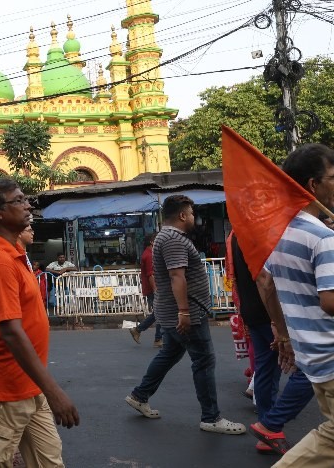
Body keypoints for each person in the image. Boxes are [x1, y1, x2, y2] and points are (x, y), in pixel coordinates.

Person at [0, 177, 80, 467]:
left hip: (29, 383)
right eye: (18, 200)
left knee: (49, 462)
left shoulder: (14, 253)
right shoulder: (0, 261)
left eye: (24, 198)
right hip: (3, 389)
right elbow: (12, 332)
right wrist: (54, 391)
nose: (27, 205)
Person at [125, 195, 245, 434]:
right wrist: (184, 312)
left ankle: (140, 395)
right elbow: (177, 276)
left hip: (174, 311)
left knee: (169, 354)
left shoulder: (167, 237)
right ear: (181, 215)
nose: (193, 217)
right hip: (184, 312)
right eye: (191, 213)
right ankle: (211, 417)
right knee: (204, 360)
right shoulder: (173, 239)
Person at [255, 144, 334, 465]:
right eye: (333, 177)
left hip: (311, 356)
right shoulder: (324, 238)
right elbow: (329, 302)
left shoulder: (280, 233)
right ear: (314, 185)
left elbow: (265, 283)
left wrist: (284, 334)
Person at [229, 233, 314, 456]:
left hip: (255, 311)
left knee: (266, 370)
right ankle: (270, 425)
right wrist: (279, 325)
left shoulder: (238, 231)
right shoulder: (260, 231)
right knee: (307, 368)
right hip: (271, 313)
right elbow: (266, 282)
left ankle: (268, 428)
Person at [129, 234, 162, 347]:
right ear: (152, 242)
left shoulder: (148, 254)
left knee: (158, 313)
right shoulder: (149, 255)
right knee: (160, 313)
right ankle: (156, 338)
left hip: (153, 288)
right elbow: (150, 275)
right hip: (153, 289)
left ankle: (139, 331)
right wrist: (155, 290)